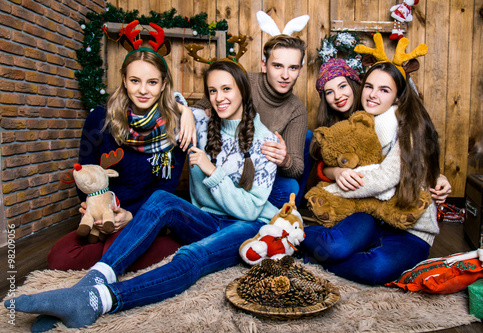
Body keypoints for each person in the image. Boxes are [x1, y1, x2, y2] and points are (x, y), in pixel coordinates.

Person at [6, 60, 280, 330]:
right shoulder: (199, 121)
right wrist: (184, 110)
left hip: (247, 228)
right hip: (206, 220)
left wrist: (211, 171)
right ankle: (92, 281)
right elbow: (161, 96)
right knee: (160, 200)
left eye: (227, 89)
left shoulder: (266, 143)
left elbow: (249, 211)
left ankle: (97, 300)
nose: (219, 98)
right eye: (212, 91)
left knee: (190, 256)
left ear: (243, 90)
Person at [47, 47, 197, 273]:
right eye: (135, 80)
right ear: (124, 81)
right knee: (58, 258)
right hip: (105, 212)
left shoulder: (176, 128)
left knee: (114, 249)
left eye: (152, 82)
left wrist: (132, 216)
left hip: (148, 215)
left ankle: (141, 247)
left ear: (164, 84)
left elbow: (165, 190)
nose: (143, 90)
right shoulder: (99, 118)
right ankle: (125, 253)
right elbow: (85, 174)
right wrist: (95, 208)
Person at [301, 55, 447, 285]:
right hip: (369, 215)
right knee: (335, 245)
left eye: (384, 90)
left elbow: (388, 175)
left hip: (410, 228)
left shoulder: (408, 125)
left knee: (375, 268)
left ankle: (314, 259)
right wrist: (335, 173)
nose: (372, 94)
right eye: (369, 86)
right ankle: (289, 233)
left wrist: (332, 191)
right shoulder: (360, 121)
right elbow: (335, 160)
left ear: (399, 95)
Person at [194, 34, 312, 208]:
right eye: (277, 66)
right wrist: (190, 114)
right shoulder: (242, 80)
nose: (285, 75)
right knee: (186, 128)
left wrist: (284, 160)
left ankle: (274, 215)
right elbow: (199, 109)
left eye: (293, 68)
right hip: (224, 161)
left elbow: (297, 169)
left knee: (290, 186)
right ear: (264, 65)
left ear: (300, 70)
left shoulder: (296, 110)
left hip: (257, 177)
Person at [312, 58, 451, 204]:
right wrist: (337, 172)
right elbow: (326, 162)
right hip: (360, 198)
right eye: (329, 92)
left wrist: (437, 177)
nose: (338, 96)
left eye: (342, 86)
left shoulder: (393, 120)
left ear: (355, 85)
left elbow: (405, 160)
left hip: (390, 199)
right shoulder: (337, 122)